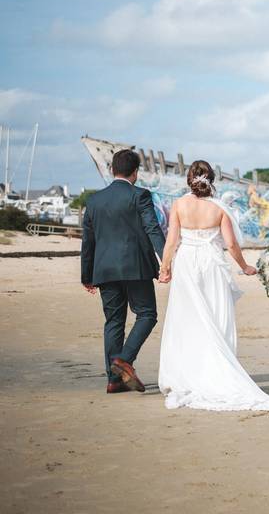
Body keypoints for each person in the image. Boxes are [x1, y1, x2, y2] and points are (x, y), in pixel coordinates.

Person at [157, 160, 269, 411]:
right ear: (211, 180)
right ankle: (217, 368)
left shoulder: (179, 205)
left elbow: (171, 242)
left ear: (189, 180)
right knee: (215, 316)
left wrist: (164, 268)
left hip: (188, 263)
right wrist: (245, 267)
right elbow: (231, 245)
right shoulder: (219, 209)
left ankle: (186, 376)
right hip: (212, 264)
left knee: (186, 318)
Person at [80, 149, 166, 394]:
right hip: (136, 267)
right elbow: (152, 228)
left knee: (114, 322)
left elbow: (88, 241)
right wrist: (166, 260)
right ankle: (124, 359)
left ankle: (114, 380)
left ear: (112, 170)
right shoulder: (140, 195)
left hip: (104, 269)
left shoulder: (94, 200)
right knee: (147, 314)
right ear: (136, 172)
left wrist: (86, 275)